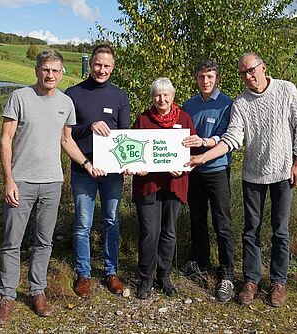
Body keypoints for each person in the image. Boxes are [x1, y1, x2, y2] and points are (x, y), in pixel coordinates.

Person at [187, 52, 297, 307]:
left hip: (282, 172)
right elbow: (232, 139)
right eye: (243, 73)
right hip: (253, 175)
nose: (248, 76)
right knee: (250, 230)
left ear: (263, 67)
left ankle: (278, 282)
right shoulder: (240, 103)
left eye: (251, 70)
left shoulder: (287, 90)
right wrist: (203, 158)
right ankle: (251, 281)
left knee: (280, 231)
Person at [0, 50, 103, 326]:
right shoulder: (19, 98)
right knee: (12, 242)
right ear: (36, 70)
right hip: (21, 182)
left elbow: (66, 141)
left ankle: (37, 291)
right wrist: (9, 179)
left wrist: (87, 163)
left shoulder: (66, 103)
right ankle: (7, 297)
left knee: (44, 242)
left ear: (62, 73)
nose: (50, 75)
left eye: (55, 70)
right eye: (45, 70)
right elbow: (6, 140)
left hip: (53, 183)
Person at [64, 44, 131, 298]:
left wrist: (129, 164)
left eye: (107, 66)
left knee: (112, 221)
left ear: (113, 68)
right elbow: (67, 134)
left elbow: (123, 136)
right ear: (90, 64)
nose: (102, 69)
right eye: (98, 64)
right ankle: (84, 274)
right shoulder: (74, 93)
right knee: (83, 224)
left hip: (112, 172)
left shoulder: (120, 96)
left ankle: (111, 272)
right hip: (83, 169)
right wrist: (89, 126)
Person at [129, 77, 195, 299]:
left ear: (173, 97)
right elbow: (132, 151)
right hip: (148, 185)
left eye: (166, 95)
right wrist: (137, 166)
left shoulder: (185, 119)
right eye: (157, 95)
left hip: (173, 184)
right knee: (149, 232)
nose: (162, 99)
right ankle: (146, 277)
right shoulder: (143, 120)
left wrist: (183, 169)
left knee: (169, 232)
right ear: (152, 97)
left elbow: (192, 154)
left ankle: (164, 275)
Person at [181, 60, 235, 302]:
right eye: (202, 76)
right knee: (197, 219)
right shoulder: (189, 104)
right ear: (196, 78)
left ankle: (226, 273)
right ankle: (200, 261)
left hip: (217, 170)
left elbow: (225, 137)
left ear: (217, 79)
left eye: (210, 77)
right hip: (193, 171)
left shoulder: (228, 104)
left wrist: (203, 142)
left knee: (222, 223)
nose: (206, 81)